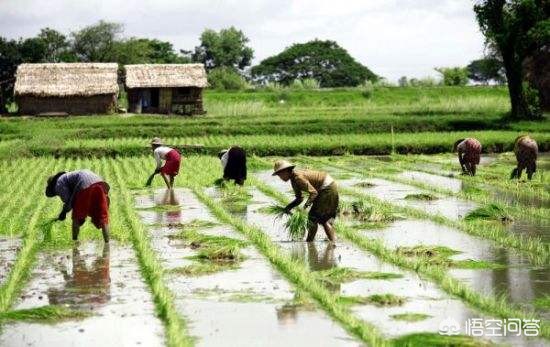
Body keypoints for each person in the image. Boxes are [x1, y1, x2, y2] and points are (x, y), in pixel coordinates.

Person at [272, 160, 339, 242]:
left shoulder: (298, 178)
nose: (280, 178)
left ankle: (312, 241)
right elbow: (299, 198)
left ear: (286, 171)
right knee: (321, 218)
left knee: (314, 218)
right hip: (326, 187)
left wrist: (305, 206)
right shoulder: (294, 180)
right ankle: (326, 241)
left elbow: (314, 193)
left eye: (280, 175)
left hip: (327, 188)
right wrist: (287, 208)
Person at [45, 170, 110, 243]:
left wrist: (63, 212)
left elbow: (69, 201)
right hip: (99, 182)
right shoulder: (67, 177)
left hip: (84, 184)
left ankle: (74, 242)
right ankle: (107, 244)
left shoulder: (58, 183)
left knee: (76, 217)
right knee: (103, 218)